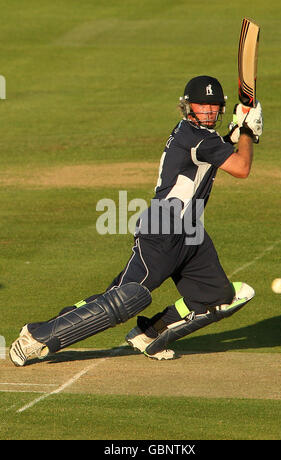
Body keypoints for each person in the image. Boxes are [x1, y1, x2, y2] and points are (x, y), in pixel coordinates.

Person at [9, 75, 263, 366]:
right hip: (163, 230)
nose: (207, 111)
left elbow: (217, 149)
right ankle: (36, 337)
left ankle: (150, 333)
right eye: (201, 105)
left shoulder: (195, 135)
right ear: (187, 106)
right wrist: (248, 133)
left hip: (191, 234)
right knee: (124, 299)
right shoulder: (199, 138)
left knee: (221, 298)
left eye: (213, 106)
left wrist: (237, 133)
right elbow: (241, 167)